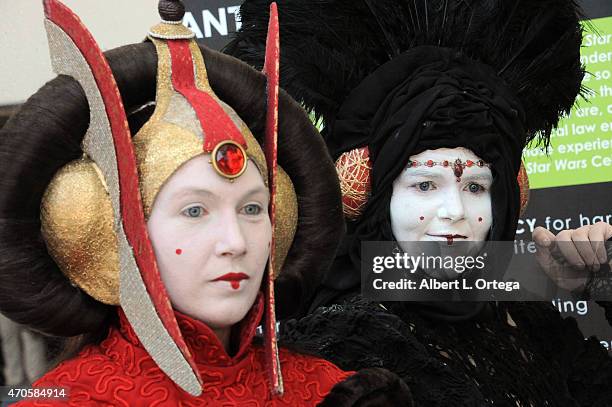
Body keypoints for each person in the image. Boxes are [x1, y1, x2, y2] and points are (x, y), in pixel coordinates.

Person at [0, 0, 412, 405]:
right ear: (117, 236)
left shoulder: (328, 390)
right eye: (194, 210)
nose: (235, 242)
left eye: (252, 209)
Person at [228, 0, 612, 405]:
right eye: (425, 185)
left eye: (477, 187)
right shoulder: (346, 346)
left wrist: (602, 283)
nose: (456, 212)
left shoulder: (532, 324)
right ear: (369, 197)